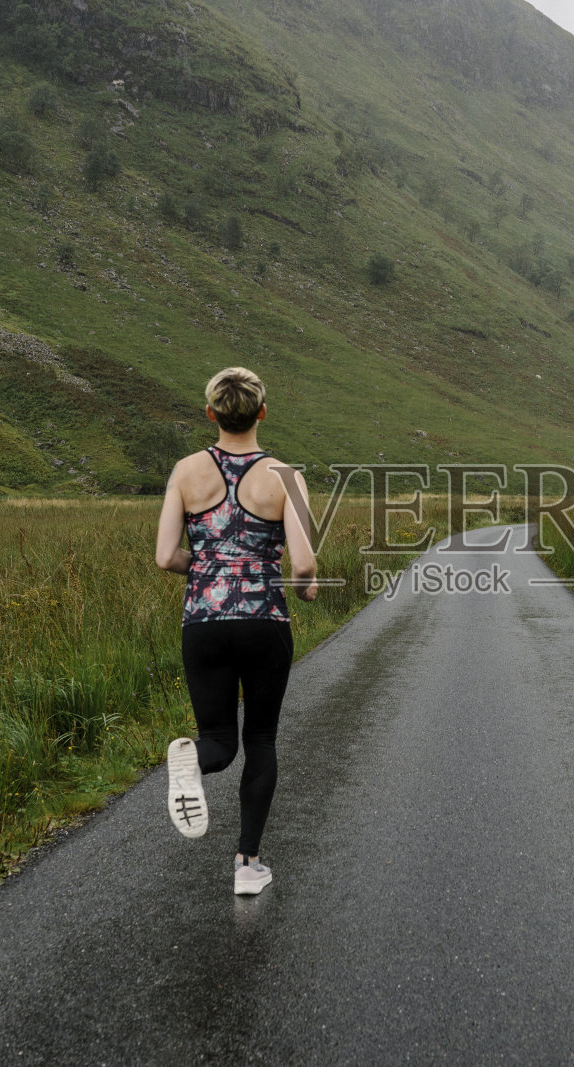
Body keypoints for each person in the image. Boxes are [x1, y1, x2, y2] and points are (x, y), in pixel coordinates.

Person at [155, 367, 319, 896]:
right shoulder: (286, 476)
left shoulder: (185, 471)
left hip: (203, 623)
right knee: (262, 739)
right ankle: (248, 865)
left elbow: (164, 557)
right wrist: (304, 587)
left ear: (211, 413)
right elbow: (304, 562)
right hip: (263, 622)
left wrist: (207, 569)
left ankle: (195, 763)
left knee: (220, 742)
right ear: (262, 413)